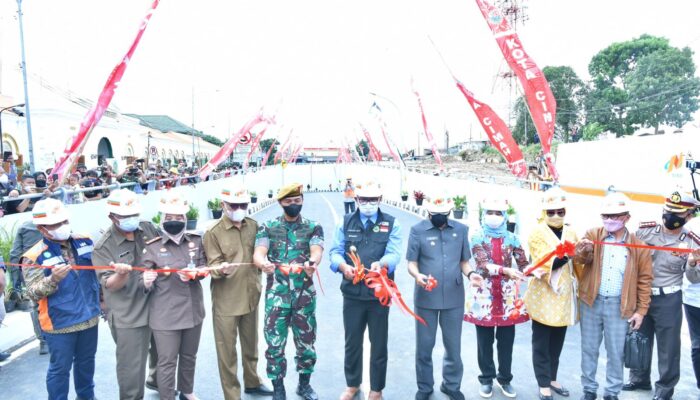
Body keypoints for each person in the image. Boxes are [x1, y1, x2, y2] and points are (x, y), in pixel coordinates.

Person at [621, 191, 700, 400]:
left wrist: (692, 263)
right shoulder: (646, 232)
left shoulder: (692, 242)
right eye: (668, 211)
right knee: (639, 338)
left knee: (669, 347)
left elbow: (693, 278)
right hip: (642, 295)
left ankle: (665, 389)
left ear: (689, 215)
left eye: (677, 213)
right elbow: (628, 258)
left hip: (669, 298)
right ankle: (638, 378)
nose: (670, 216)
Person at [574, 192, 653, 400]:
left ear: (627, 217)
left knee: (616, 353)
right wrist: (584, 250)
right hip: (591, 301)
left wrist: (641, 311)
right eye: (606, 216)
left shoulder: (639, 246)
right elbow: (580, 260)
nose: (609, 220)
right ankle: (589, 390)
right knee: (589, 349)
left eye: (615, 216)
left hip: (620, 305)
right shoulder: (593, 235)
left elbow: (645, 280)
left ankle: (611, 393)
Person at [22, 198, 101, 400]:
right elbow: (31, 293)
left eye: (64, 221)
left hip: (89, 317)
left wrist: (102, 302)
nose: (62, 226)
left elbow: (96, 276)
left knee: (86, 365)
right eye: (56, 224)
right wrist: (52, 280)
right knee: (60, 370)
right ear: (42, 229)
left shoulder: (85, 240)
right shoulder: (34, 256)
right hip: (59, 323)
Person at [329, 181, 401, 400]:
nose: (368, 204)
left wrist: (383, 264)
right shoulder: (345, 221)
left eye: (372, 200)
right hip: (352, 293)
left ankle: (376, 389)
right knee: (352, 341)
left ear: (380, 200)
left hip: (379, 294)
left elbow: (395, 252)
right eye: (363, 200)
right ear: (356, 200)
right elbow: (335, 252)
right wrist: (342, 267)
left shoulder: (391, 223)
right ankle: (352, 384)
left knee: (379, 343)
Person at [406, 196, 482, 400]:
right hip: (426, 297)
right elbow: (411, 262)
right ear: (428, 213)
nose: (439, 218)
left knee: (453, 346)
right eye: (435, 215)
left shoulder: (460, 230)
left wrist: (471, 274)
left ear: (449, 213)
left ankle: (451, 385)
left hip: (453, 296)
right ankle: (424, 387)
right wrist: (417, 275)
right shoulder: (417, 230)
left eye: (443, 214)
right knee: (424, 345)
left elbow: (464, 262)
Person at [254, 183, 324, 400]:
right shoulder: (268, 226)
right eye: (288, 201)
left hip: (304, 297)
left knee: (306, 343)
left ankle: (304, 386)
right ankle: (278, 389)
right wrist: (262, 263)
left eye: (297, 201)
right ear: (280, 203)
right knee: (275, 345)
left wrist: (312, 262)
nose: (293, 205)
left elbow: (316, 250)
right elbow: (259, 251)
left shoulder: (313, 227)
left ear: (302, 200)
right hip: (277, 297)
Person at [203, 186, 272, 400]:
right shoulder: (213, 232)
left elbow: (261, 253)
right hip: (227, 300)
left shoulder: (253, 226)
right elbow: (212, 265)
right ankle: (232, 394)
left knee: (251, 345)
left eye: (243, 205)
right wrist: (221, 269)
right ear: (223, 205)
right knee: (227, 352)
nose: (239, 209)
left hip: (251, 296)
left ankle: (252, 382)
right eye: (234, 205)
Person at [93, 189, 160, 399]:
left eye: (134, 214)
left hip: (157, 305)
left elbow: (164, 252)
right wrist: (121, 274)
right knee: (132, 370)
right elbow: (110, 284)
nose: (132, 219)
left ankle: (157, 381)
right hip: (129, 314)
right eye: (125, 216)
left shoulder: (147, 228)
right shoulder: (103, 247)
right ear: (112, 217)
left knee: (163, 354)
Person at [141, 191, 207, 400]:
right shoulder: (152, 247)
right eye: (169, 218)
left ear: (185, 220)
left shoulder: (196, 241)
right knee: (167, 360)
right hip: (165, 313)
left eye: (179, 218)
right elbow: (141, 278)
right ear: (162, 220)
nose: (174, 222)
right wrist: (146, 281)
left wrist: (197, 274)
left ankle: (187, 391)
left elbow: (204, 266)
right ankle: (167, 396)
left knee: (189, 356)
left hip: (192, 310)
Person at [464, 197, 528, 399]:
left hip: (508, 297)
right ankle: (486, 379)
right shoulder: (477, 236)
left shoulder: (513, 238)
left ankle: (505, 379)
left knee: (506, 341)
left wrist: (536, 270)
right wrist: (506, 270)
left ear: (505, 216)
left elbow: (523, 263)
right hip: (484, 294)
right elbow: (482, 264)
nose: (494, 217)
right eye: (490, 212)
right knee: (484, 341)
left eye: (498, 213)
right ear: (484, 214)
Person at [524, 188, 580, 400]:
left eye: (560, 211)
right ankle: (542, 382)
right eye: (551, 212)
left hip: (564, 293)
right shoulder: (537, 232)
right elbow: (543, 262)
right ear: (544, 212)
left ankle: (552, 377)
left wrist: (583, 254)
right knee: (541, 340)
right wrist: (567, 254)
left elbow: (580, 263)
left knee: (558, 338)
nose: (556, 216)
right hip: (544, 293)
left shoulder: (572, 232)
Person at [9, 219, 48, 354]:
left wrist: (15, 280)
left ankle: (43, 341)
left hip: (31, 270)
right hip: (54, 266)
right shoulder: (59, 222)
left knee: (37, 305)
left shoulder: (25, 226)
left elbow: (14, 253)